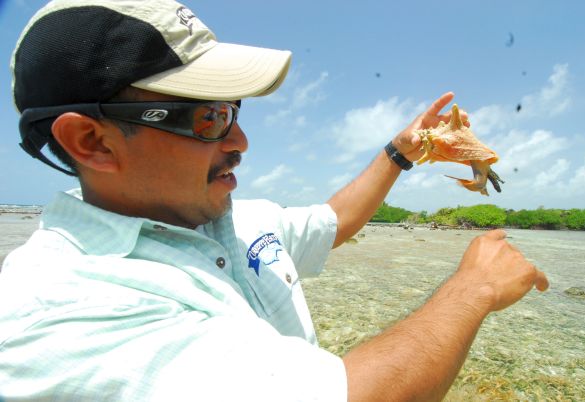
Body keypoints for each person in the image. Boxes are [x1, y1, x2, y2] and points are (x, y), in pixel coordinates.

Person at [0, 0, 549, 401]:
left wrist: (400, 152)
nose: (239, 142)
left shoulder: (232, 218)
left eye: (233, 109)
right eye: (207, 116)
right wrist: (472, 289)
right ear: (92, 141)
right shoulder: (60, 314)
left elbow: (336, 221)